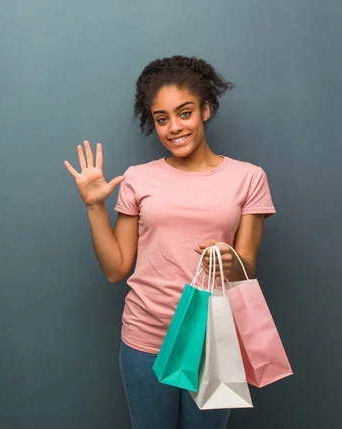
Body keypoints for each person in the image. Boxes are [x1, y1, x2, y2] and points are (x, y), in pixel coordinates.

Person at [63, 55, 276, 429]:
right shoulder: (137, 179)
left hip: (211, 341)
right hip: (146, 340)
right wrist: (95, 207)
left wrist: (230, 260)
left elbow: (248, 267)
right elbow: (116, 269)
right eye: (162, 119)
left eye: (185, 112)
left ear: (206, 109)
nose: (174, 127)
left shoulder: (249, 178)